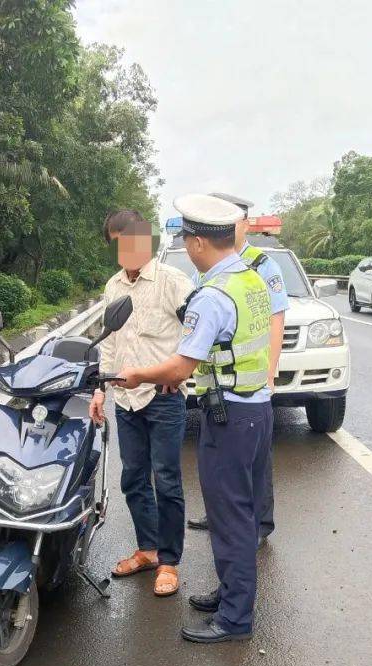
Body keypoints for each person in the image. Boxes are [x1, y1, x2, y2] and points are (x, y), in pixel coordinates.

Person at [114, 194, 272, 643]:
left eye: (187, 240)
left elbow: (181, 367)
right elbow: (223, 348)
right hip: (255, 409)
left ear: (199, 242)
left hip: (230, 419)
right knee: (236, 513)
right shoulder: (250, 280)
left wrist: (138, 374)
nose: (186, 248)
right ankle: (229, 594)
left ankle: (235, 619)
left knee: (230, 518)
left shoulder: (212, 297)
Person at [90, 210, 195, 597]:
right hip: (126, 399)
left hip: (163, 397)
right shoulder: (113, 287)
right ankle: (148, 550)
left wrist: (179, 375)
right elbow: (109, 344)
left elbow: (197, 335)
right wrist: (100, 389)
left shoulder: (173, 282)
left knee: (166, 480)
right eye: (118, 243)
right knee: (133, 477)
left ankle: (169, 562)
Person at [186, 192, 288, 543]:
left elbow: (275, 321)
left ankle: (259, 524)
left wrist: (269, 373)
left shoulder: (260, 265)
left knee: (254, 464)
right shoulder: (211, 269)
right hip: (218, 386)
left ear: (243, 225)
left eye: (231, 221)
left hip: (249, 384)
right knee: (227, 471)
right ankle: (224, 517)